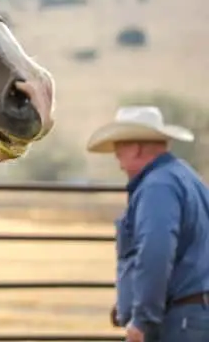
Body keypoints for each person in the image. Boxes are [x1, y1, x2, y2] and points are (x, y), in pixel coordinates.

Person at [86, 105, 209, 341]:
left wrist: (143, 318)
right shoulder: (186, 177)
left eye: (120, 145)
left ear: (136, 148)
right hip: (194, 313)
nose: (116, 155)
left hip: (179, 321)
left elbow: (156, 251)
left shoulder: (157, 187)